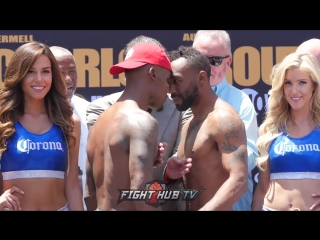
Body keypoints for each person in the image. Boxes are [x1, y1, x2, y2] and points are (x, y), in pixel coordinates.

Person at [85, 35, 192, 211]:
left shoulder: (101, 122)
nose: (170, 89)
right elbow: (141, 192)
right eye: (167, 80)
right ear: (153, 73)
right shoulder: (142, 121)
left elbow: (89, 193)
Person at [0, 41, 84, 211]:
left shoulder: (69, 122)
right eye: (30, 71)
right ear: (19, 74)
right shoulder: (3, 120)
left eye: (45, 71)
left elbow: (72, 185)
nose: (39, 79)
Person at [163, 46, 248, 211]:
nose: (171, 90)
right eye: (169, 82)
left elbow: (240, 179)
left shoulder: (223, 119)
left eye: (177, 81)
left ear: (201, 77)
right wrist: (170, 176)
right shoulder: (189, 125)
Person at [192, 30, 259, 211]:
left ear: (227, 62)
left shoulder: (241, 102)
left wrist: (206, 155)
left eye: (214, 61)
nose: (206, 67)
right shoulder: (178, 99)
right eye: (200, 59)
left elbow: (249, 157)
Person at [252, 52, 320, 211]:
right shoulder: (268, 130)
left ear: (314, 86)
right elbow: (262, 188)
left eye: (302, 82)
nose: (294, 91)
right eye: (288, 83)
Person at [50, 46, 89, 208]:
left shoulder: (88, 111)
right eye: (60, 72)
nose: (68, 78)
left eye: (72, 71)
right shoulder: (24, 116)